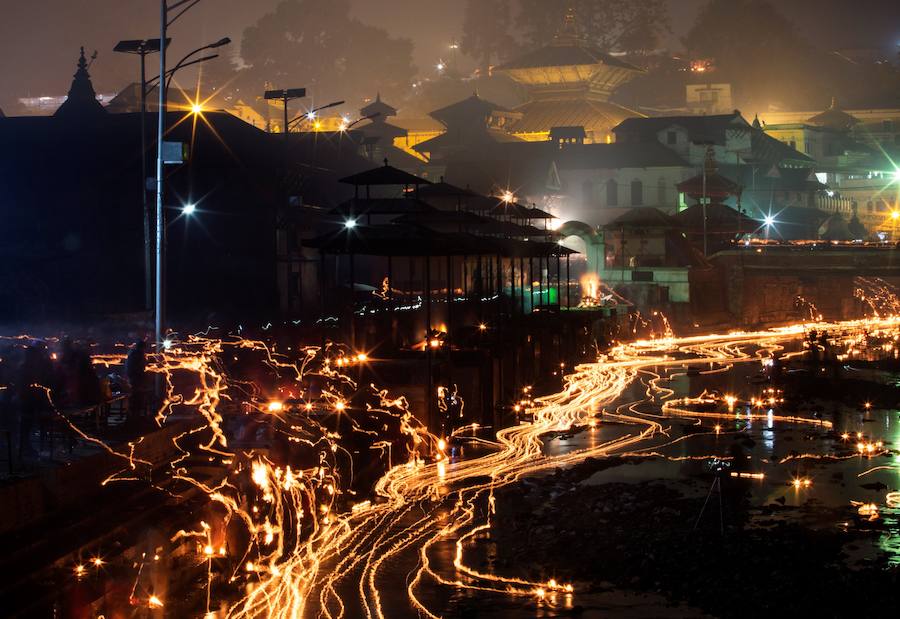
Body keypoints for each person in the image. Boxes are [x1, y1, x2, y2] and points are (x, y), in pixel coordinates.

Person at [126, 340, 148, 419]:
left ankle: (132, 416)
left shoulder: (132, 354)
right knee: (137, 398)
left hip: (132, 378)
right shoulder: (138, 355)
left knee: (134, 398)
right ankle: (135, 417)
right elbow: (141, 368)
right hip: (136, 379)